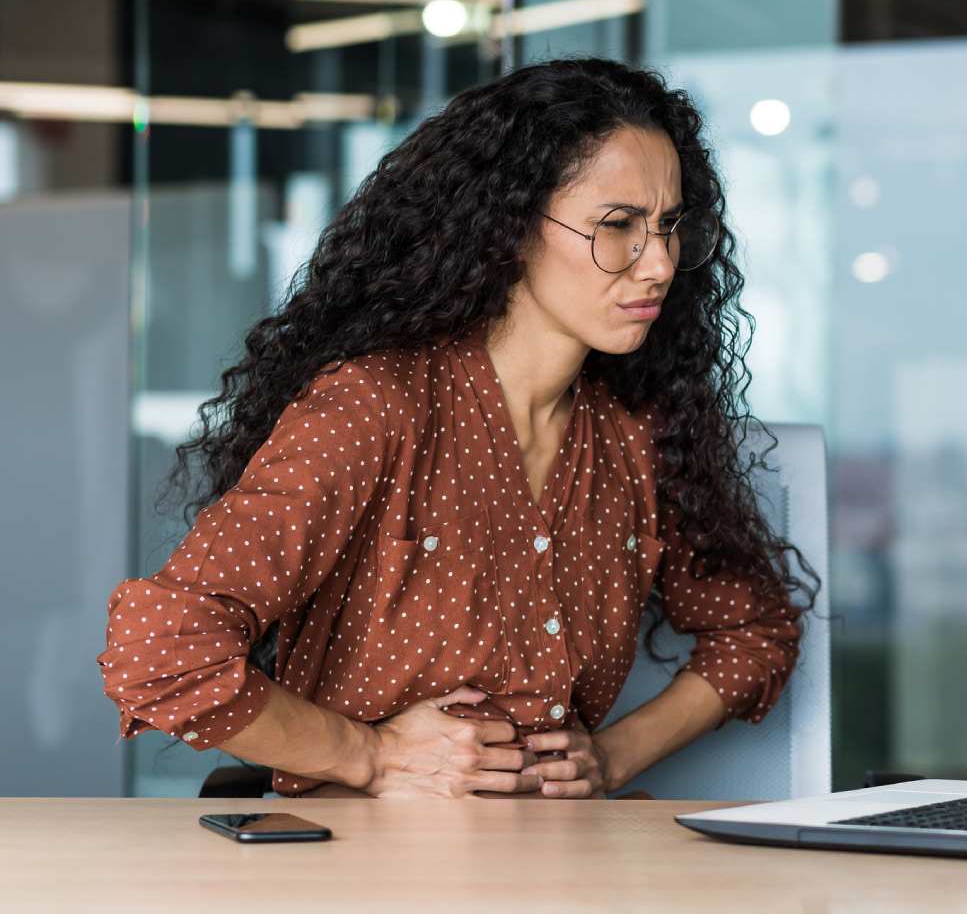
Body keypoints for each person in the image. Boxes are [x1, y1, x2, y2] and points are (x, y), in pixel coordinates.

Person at [97, 57, 819, 799]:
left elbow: (755, 634)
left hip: (568, 867)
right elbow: (158, 650)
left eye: (669, 227)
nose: (660, 263)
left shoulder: (635, 434)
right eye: (618, 227)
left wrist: (614, 756)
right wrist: (370, 756)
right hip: (364, 869)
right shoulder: (374, 409)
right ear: (510, 227)